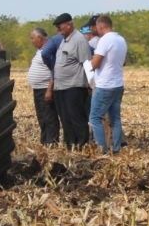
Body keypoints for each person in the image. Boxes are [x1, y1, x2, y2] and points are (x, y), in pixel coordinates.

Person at [50, 12, 92, 148]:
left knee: (76, 117)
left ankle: (82, 144)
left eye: (59, 26)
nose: (58, 30)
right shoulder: (64, 40)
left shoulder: (79, 40)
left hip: (74, 86)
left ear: (69, 24)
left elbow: (86, 63)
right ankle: (70, 144)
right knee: (65, 118)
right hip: (60, 87)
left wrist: (90, 85)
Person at [88, 15, 127, 153]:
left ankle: (102, 149)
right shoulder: (121, 39)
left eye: (97, 28)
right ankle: (116, 149)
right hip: (118, 83)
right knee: (115, 118)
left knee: (94, 117)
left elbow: (96, 63)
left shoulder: (105, 40)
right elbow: (123, 61)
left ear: (100, 26)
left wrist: (90, 62)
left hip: (105, 84)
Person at [26, 27, 60, 145]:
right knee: (42, 116)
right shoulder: (40, 51)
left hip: (46, 88)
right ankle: (45, 141)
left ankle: (52, 142)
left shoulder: (49, 51)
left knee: (49, 116)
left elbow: (54, 71)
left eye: (32, 38)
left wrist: (49, 90)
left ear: (40, 38)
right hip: (38, 89)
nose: (32, 41)